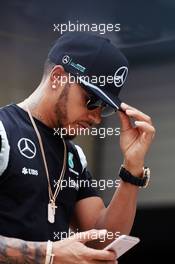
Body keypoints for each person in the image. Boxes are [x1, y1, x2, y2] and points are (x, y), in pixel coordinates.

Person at [0, 32, 155, 264]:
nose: (96, 118)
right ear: (57, 77)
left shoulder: (73, 156)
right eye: (92, 100)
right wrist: (49, 254)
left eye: (104, 108)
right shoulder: (4, 131)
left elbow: (101, 239)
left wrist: (132, 168)